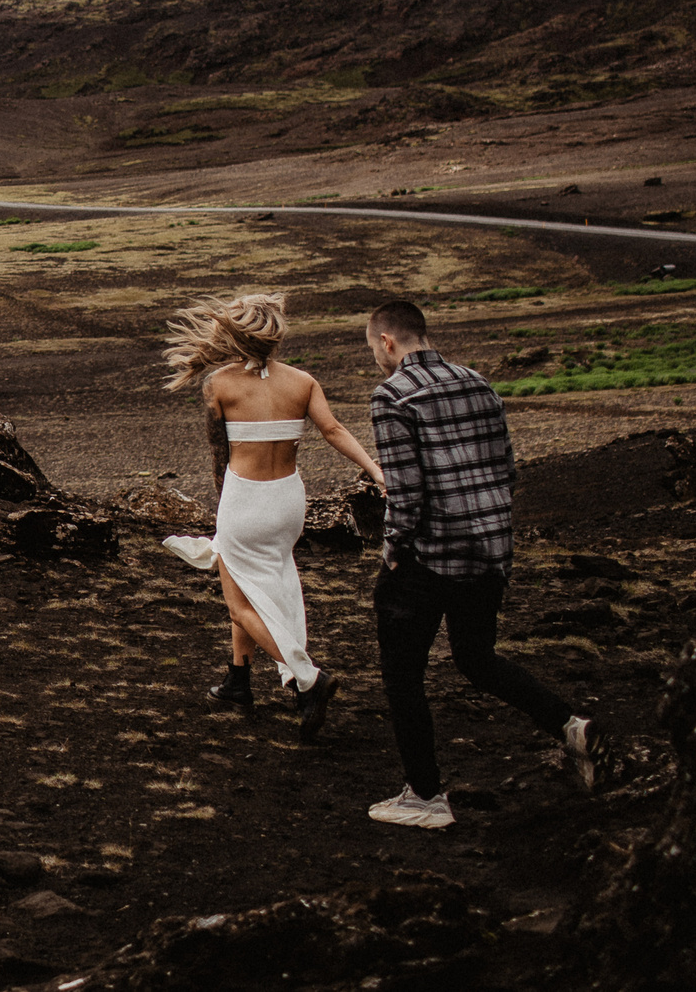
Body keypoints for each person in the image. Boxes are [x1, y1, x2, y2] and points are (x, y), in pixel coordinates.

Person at [363, 299, 604, 830]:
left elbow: (406, 494)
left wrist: (392, 554)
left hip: (429, 558)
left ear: (387, 342)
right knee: (477, 659)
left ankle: (425, 797)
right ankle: (569, 725)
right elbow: (508, 469)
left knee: (403, 677)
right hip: (489, 550)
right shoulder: (479, 382)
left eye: (375, 351)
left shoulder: (393, 396)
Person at [158, 292, 386, 743]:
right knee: (272, 582)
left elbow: (218, 453)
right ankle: (238, 681)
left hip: (245, 500)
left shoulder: (218, 385)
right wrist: (375, 470)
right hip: (288, 502)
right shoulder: (303, 382)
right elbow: (334, 430)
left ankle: (307, 677)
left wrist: (225, 511)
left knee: (239, 605)